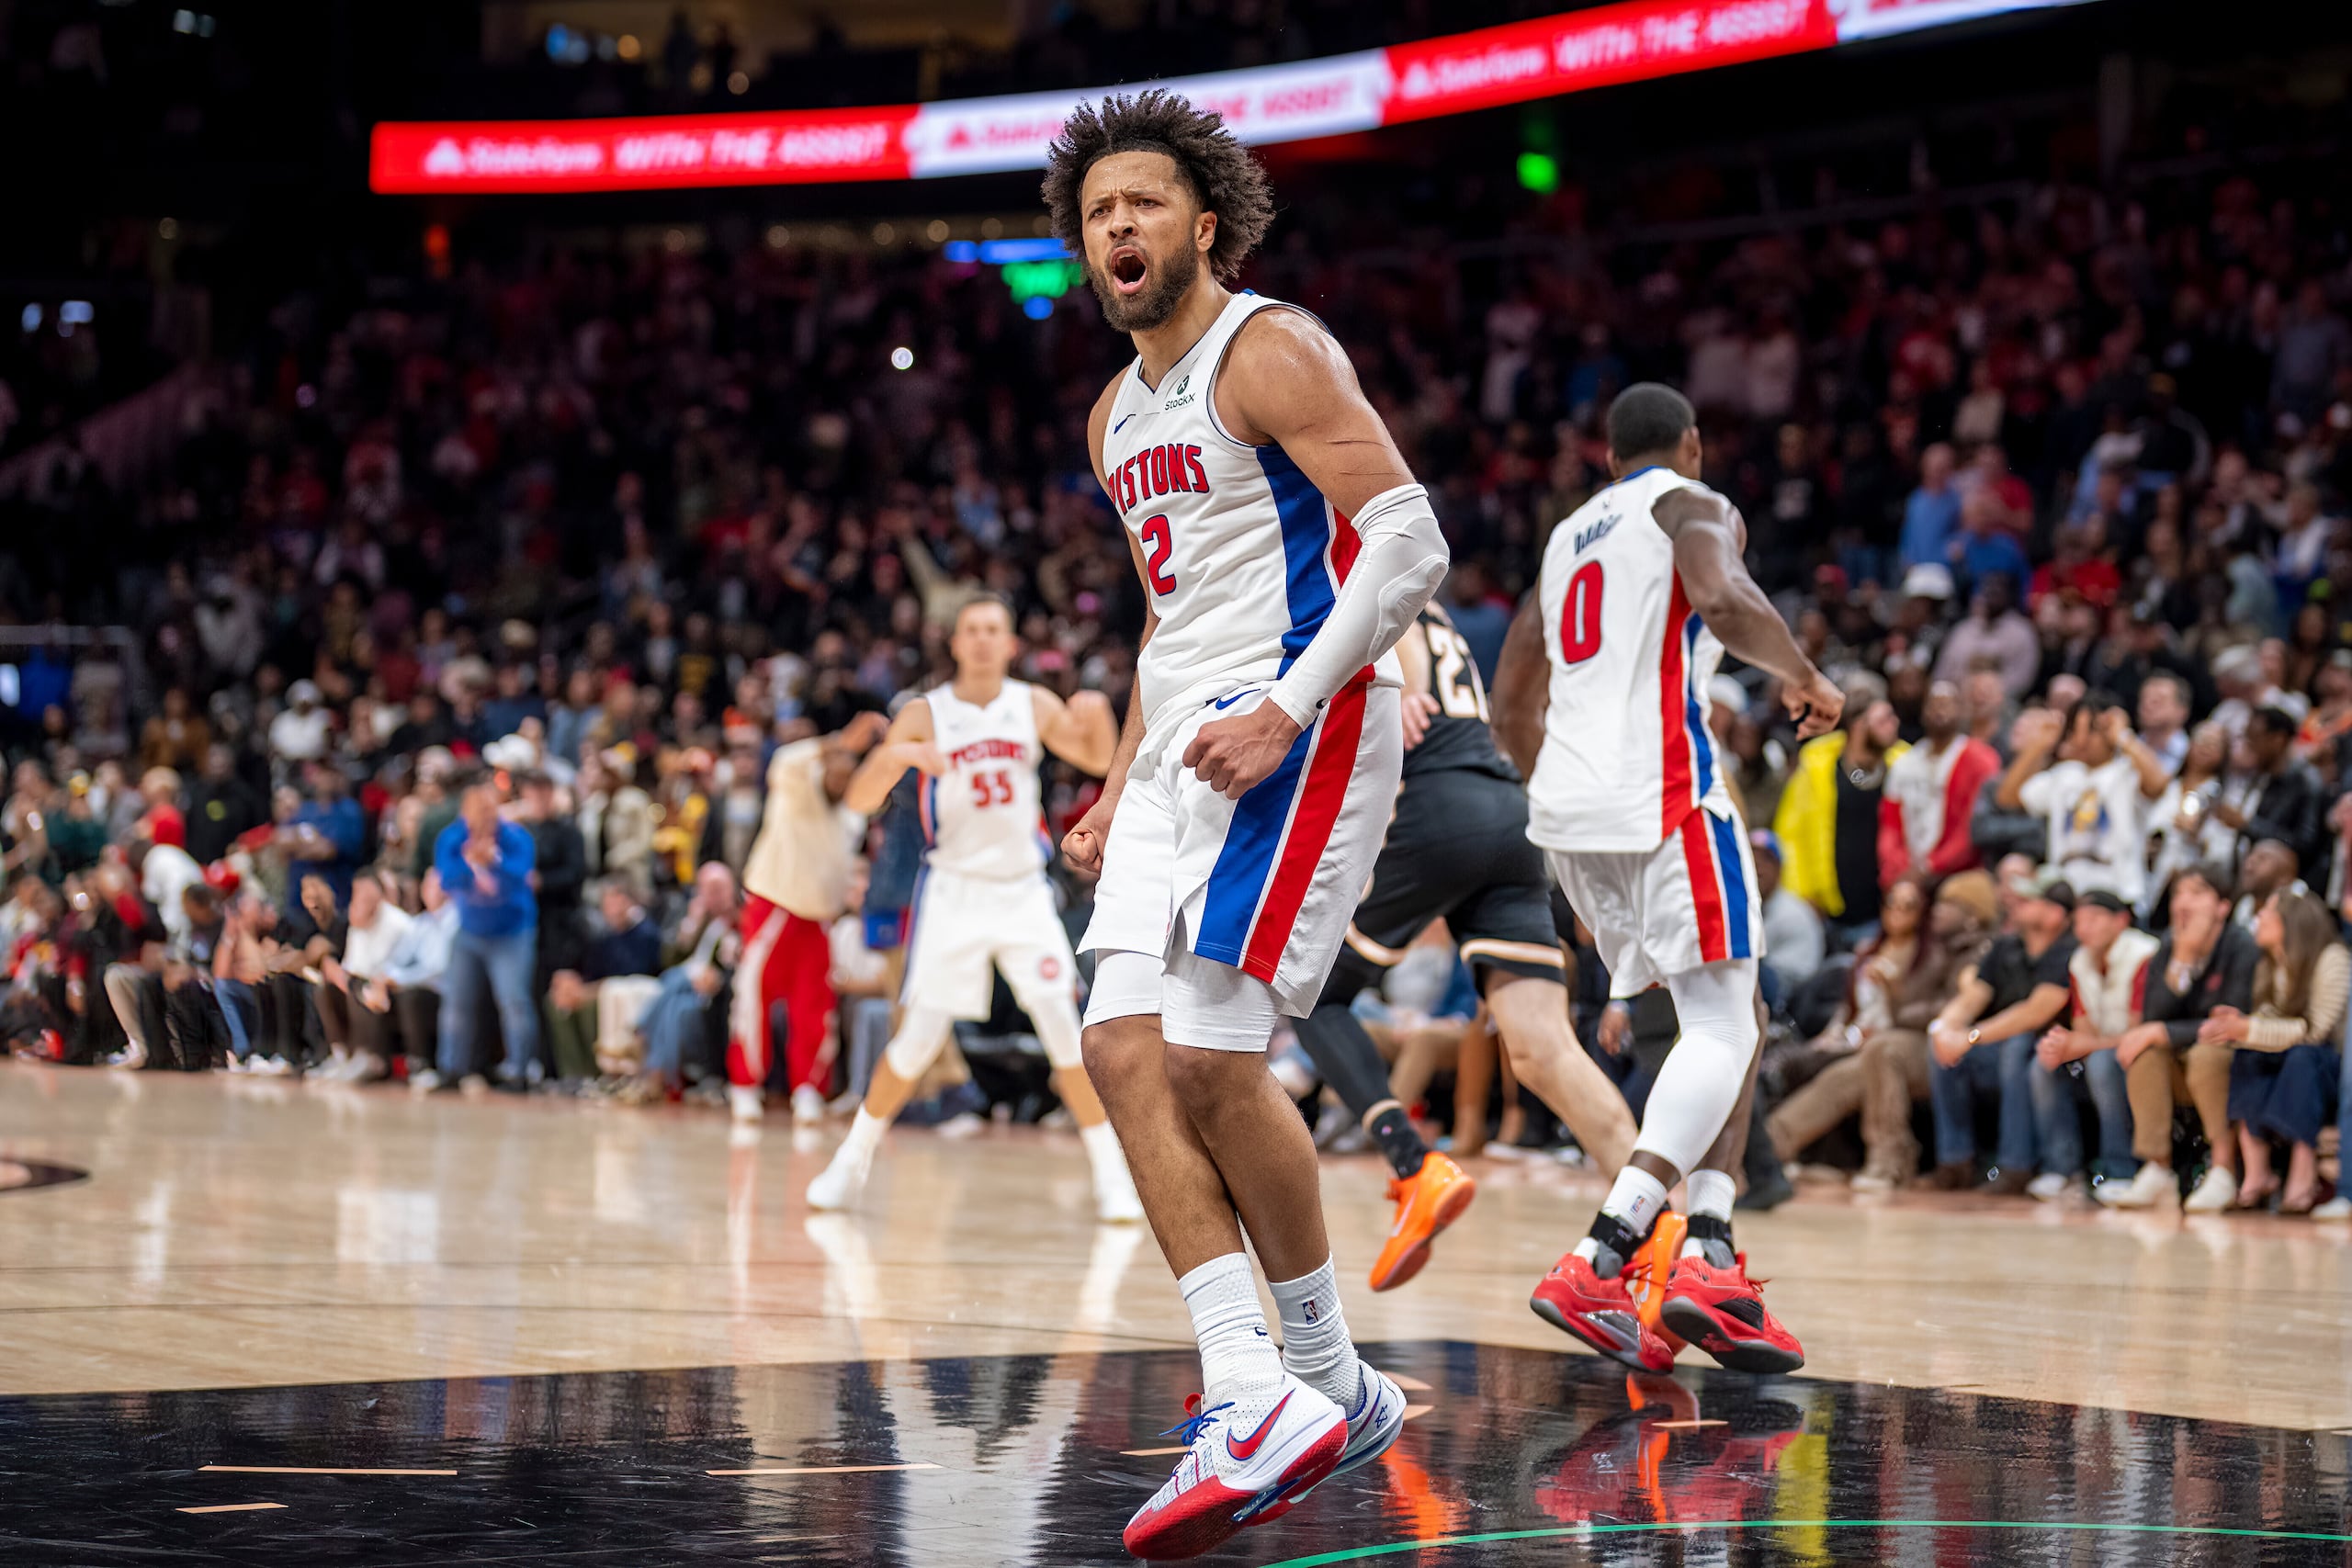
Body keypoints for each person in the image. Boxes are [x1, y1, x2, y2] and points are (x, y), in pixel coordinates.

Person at [1046, 92, 1439, 1556]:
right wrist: (1122, 768)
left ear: (1204, 222)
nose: (1120, 228)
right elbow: (1169, 609)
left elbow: (1411, 536)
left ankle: (1306, 1379)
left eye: (1144, 203)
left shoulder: (1269, 345)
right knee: (1115, 1045)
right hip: (1179, 746)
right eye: (1099, 212)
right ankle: (1284, 1382)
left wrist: (1289, 699)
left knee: (1211, 1059)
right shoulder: (1110, 414)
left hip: (1302, 718)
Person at [1510, 380, 1842, 1380]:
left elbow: (1511, 701)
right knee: (1725, 1025)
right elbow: (1723, 597)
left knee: (1718, 1012)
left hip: (1567, 815)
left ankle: (1708, 1256)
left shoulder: (1564, 538)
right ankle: (1603, 1255)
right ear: (1689, 446)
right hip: (1660, 791)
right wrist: (1804, 676)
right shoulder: (1688, 503)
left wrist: (1558, 803)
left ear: (1606, 455)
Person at [806, 596, 1143, 1223]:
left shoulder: (1031, 703)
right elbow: (858, 797)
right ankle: (849, 1163)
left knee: (1064, 1031)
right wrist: (897, 756)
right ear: (955, 643)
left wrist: (1097, 715)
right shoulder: (924, 712)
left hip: (1021, 891)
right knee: (917, 1040)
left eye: (995, 630)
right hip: (954, 891)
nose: (984, 640)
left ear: (1011, 643)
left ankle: (1110, 1176)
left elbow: (1097, 759)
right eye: (973, 630)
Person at [733, 711, 887, 1122]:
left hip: (820, 918)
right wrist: (842, 740)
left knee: (815, 1008)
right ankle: (746, 1086)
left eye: (847, 771)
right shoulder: (795, 786)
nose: (841, 776)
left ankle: (808, 1089)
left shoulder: (852, 814)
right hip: (774, 905)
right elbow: (787, 757)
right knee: (754, 998)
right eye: (835, 767)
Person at [2089, 862, 2253, 1210]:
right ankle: (2157, 1167)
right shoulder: (2168, 945)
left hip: (2235, 1060)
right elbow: (2153, 1018)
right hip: (2183, 1057)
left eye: (2197, 893)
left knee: (2207, 1052)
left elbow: (2229, 1021)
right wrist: (2181, 960)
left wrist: (2165, 1030)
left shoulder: (2240, 945)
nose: (2183, 902)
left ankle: (2223, 1168)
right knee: (2143, 1051)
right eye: (2179, 893)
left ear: (2223, 906)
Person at [1926, 875, 2078, 1194]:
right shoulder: (2006, 945)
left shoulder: (2068, 951)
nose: (2015, 902)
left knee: (2017, 1044)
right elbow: (1974, 996)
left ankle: (2016, 1166)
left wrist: (1968, 1036)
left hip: (2051, 1048)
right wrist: (1944, 1028)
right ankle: (1954, 1161)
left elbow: (2034, 1013)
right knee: (1939, 1047)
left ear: (2055, 914)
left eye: (2029, 899)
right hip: (1994, 1044)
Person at [2207, 887, 2347, 1213]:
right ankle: (2259, 1174)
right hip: (2295, 1052)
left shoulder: (2332, 957)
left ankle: (2303, 1168)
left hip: (2331, 1062)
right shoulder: (2272, 962)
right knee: (2247, 1053)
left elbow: (2315, 1031)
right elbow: (2270, 1017)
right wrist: (2239, 1024)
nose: (2258, 919)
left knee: (2303, 1058)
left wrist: (2250, 1028)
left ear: (2291, 920)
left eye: (2266, 912)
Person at [2032, 889, 2159, 1199]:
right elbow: (2083, 1028)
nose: (2085, 928)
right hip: (2104, 1049)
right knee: (2043, 1064)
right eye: (2079, 921)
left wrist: (2085, 1045)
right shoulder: (2079, 962)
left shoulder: (2145, 955)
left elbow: (2138, 1030)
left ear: (2121, 920)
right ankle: (2062, 1168)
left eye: (2095, 919)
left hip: (2144, 1052)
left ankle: (2121, 1170)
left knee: (2103, 1064)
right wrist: (2064, 1045)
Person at [419, 784, 539, 1092]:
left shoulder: (515, 838)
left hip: (512, 932)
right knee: (456, 1001)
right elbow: (448, 879)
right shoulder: (452, 838)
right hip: (470, 931)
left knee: (514, 1001)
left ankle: (521, 1071)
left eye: (488, 811)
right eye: (475, 813)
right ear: (464, 814)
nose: (483, 819)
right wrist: (473, 866)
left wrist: (492, 863)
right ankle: (451, 1068)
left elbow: (516, 881)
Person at [1996, 694, 2170, 907]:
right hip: (2066, 898)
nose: (2082, 740)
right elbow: (2008, 798)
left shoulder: (2127, 771)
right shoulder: (2065, 774)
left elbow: (2159, 784)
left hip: (2119, 894)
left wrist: (2124, 736)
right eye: (2076, 730)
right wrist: (2040, 745)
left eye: (2092, 730)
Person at [1881, 680, 2001, 881]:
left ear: (1962, 710)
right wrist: (1898, 865)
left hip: (1960, 872)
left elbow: (1972, 827)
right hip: (1909, 869)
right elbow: (1890, 824)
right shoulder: (1905, 762)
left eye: (1947, 704)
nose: (1939, 711)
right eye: (1933, 704)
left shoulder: (1981, 760)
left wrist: (1932, 865)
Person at [2216, 707, 2324, 878]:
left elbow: (2304, 844)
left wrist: (2247, 826)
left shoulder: (2306, 783)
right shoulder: (2259, 774)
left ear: (2278, 740)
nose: (2248, 745)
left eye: (2254, 738)